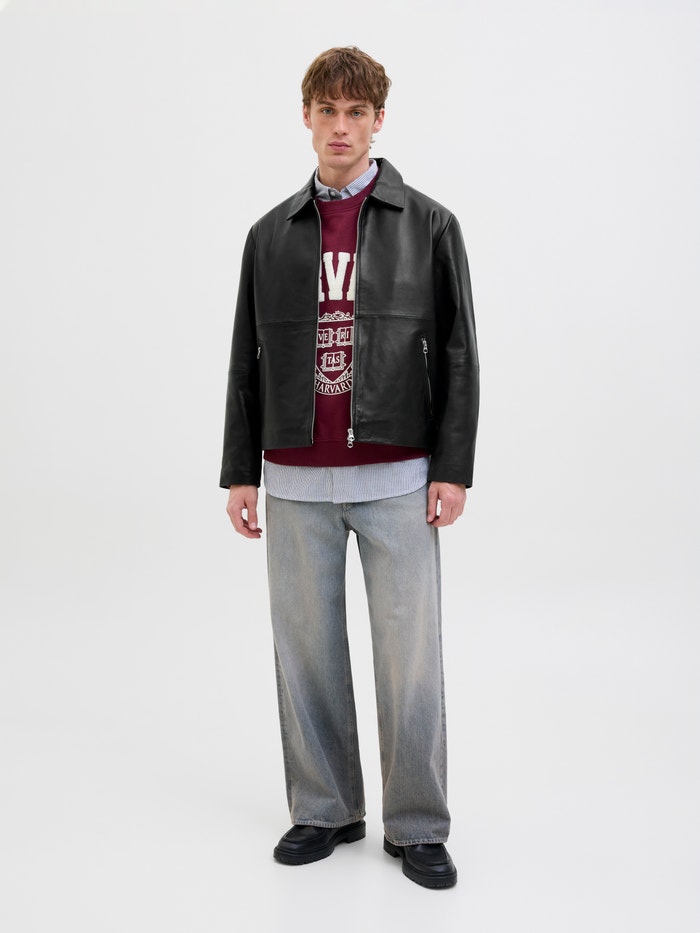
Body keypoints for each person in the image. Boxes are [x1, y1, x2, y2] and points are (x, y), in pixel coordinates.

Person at [220, 46, 479, 889]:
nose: (341, 126)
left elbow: (460, 351)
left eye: (356, 112)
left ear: (378, 121)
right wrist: (241, 469)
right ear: (306, 117)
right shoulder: (269, 235)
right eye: (327, 110)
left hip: (399, 473)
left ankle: (417, 823)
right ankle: (326, 807)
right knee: (306, 653)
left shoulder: (430, 225)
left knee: (411, 659)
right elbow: (246, 357)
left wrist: (452, 465)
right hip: (294, 477)